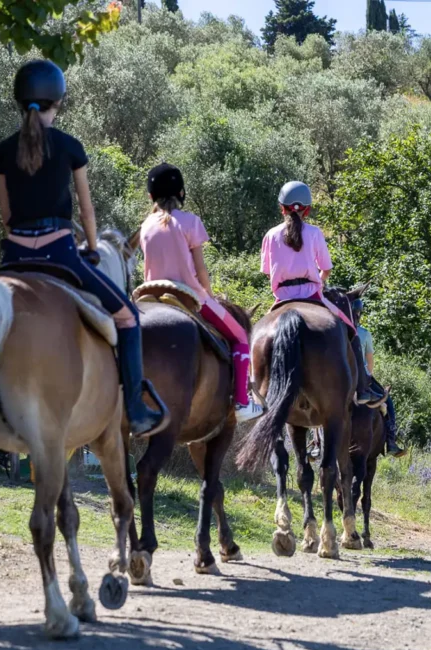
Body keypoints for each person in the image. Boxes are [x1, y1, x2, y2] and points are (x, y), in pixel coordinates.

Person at [0, 59, 165, 436]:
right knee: (128, 318)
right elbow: (87, 209)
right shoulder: (70, 146)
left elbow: (6, 215)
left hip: (14, 255)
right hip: (60, 253)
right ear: (57, 102)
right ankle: (135, 409)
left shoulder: (5, 150)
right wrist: (89, 246)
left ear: (20, 103)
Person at [137, 162, 263, 422]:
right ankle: (241, 402)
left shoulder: (145, 226)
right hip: (187, 295)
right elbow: (201, 269)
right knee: (240, 336)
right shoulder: (190, 222)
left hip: (149, 294)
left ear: (151, 196)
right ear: (181, 193)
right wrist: (208, 292)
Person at [260, 181, 382, 405]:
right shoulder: (315, 233)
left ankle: (253, 390)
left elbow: (268, 272)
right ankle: (363, 388)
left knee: (259, 336)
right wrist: (319, 283)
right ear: (307, 210)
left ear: (282, 208)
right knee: (350, 329)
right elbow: (326, 268)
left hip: (282, 298)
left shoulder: (270, 235)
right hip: (312, 295)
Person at [351, 298, 407, 457]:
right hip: (361, 378)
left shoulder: (335, 332)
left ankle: (317, 444)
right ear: (359, 313)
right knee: (388, 402)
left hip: (338, 378)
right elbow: (369, 363)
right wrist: (366, 378)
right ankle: (391, 442)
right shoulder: (363, 333)